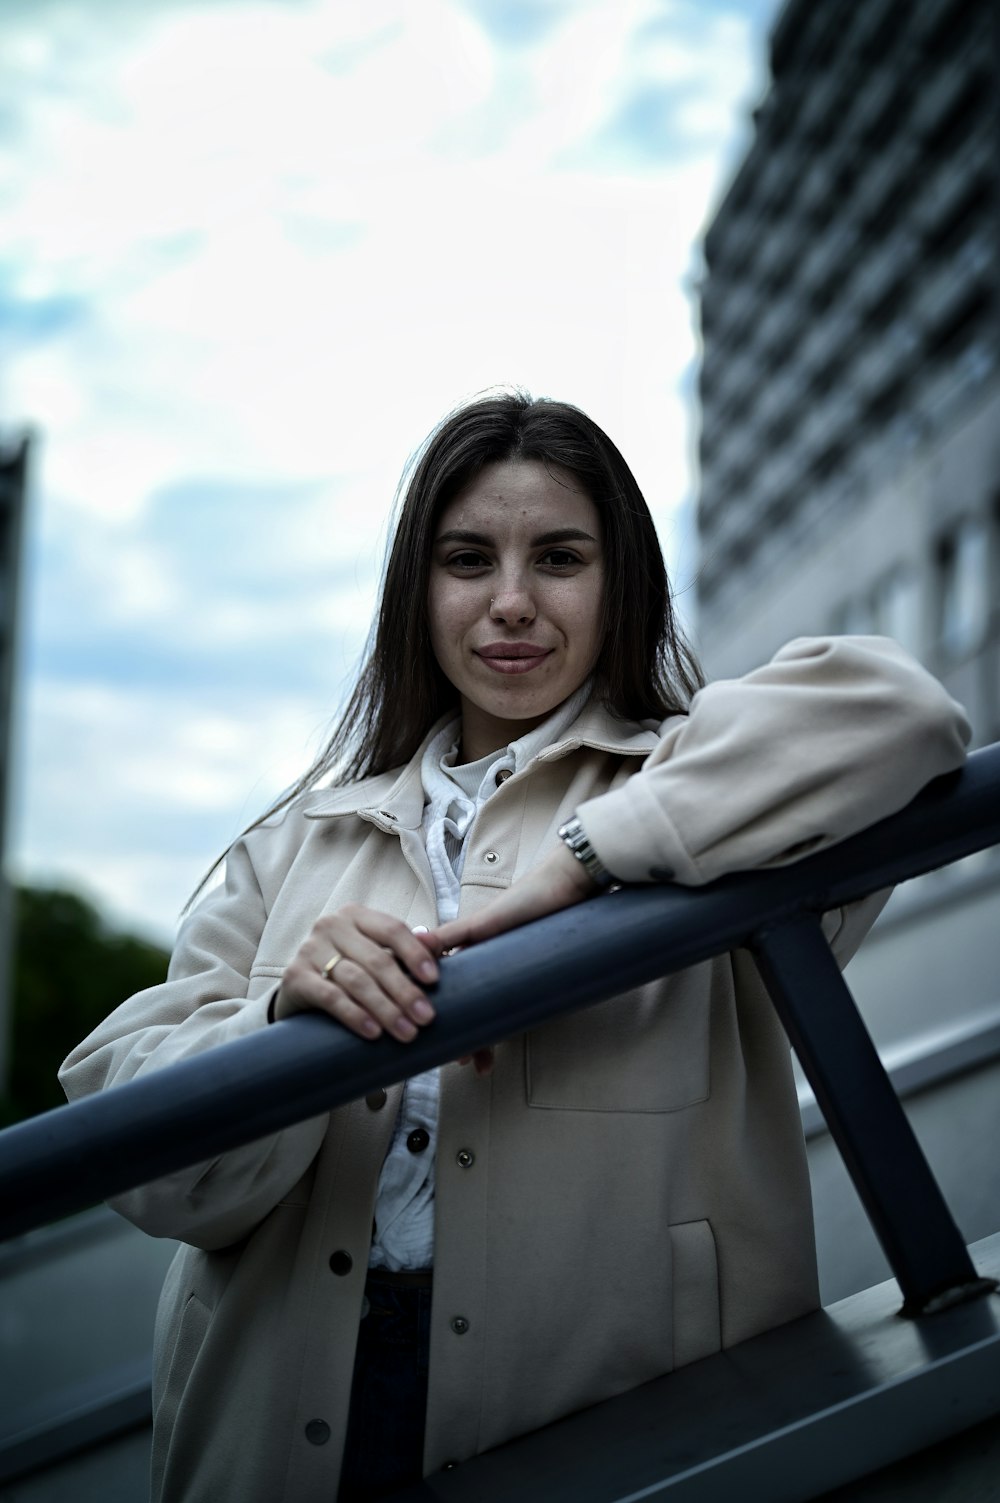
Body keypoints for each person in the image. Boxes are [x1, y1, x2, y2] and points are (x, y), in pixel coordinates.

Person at [60, 392, 970, 1503]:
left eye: (559, 557)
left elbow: (901, 709)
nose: (511, 603)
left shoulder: (699, 795)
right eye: (466, 559)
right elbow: (145, 1159)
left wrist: (589, 857)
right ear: (418, 590)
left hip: (629, 1405)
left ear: (618, 580)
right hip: (279, 1414)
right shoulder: (290, 844)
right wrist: (280, 1025)